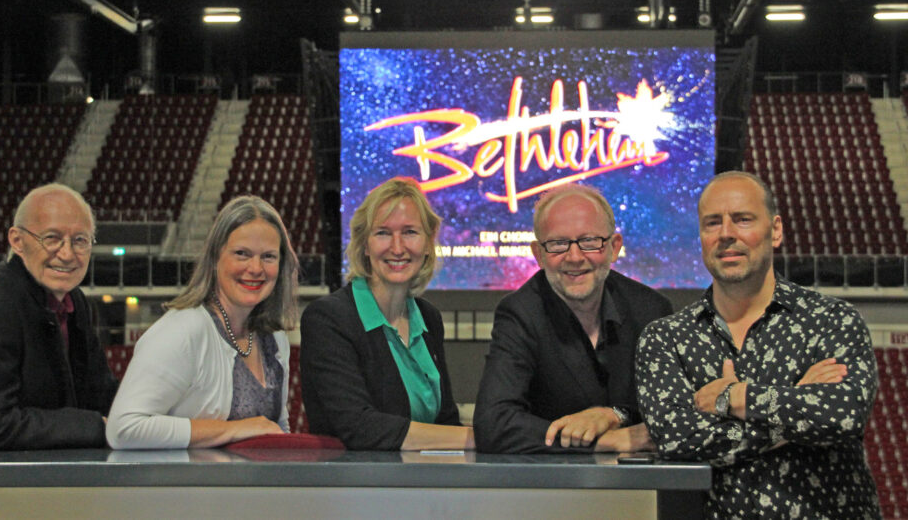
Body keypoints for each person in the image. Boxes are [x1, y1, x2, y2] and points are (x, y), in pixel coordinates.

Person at [636, 171, 880, 518]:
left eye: (742, 219)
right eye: (712, 223)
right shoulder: (666, 338)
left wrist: (734, 397)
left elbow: (843, 415)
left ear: (775, 230)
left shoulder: (832, 320)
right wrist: (796, 405)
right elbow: (676, 439)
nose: (726, 235)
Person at [473, 184, 673, 454]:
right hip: (552, 487)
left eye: (589, 241)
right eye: (558, 244)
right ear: (539, 255)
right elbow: (493, 425)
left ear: (614, 248)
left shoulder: (652, 310)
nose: (575, 257)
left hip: (645, 487)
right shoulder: (519, 313)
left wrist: (615, 415)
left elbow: (675, 410)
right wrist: (602, 442)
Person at [0, 183, 117, 450]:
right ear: (17, 241)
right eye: (51, 238)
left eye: (80, 240)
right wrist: (97, 426)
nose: (67, 254)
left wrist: (155, 415)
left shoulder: (75, 301)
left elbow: (100, 393)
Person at [106, 196, 299, 449]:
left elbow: (276, 429)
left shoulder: (274, 337)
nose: (255, 268)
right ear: (215, 257)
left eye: (269, 257)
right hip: (185, 488)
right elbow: (124, 428)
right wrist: (236, 430)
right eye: (242, 254)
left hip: (252, 488)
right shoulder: (182, 330)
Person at [300, 178, 473, 450]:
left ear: (428, 243)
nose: (397, 247)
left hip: (424, 483)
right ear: (365, 245)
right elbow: (359, 427)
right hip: (355, 486)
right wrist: (473, 438)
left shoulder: (428, 318)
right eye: (382, 233)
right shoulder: (328, 319)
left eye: (410, 232)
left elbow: (445, 419)